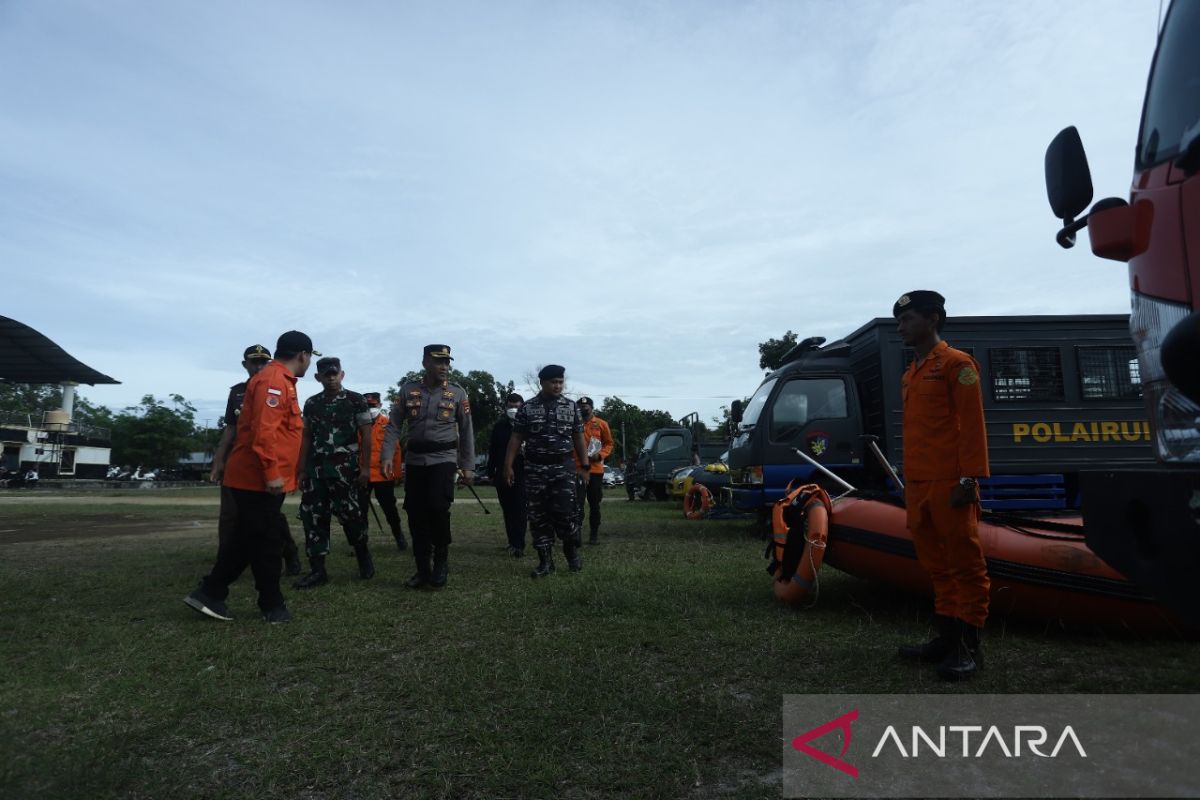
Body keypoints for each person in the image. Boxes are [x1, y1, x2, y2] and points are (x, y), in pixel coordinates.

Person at [184, 330, 316, 624]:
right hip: (257, 480)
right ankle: (271, 605)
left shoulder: (278, 380)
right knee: (267, 542)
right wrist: (272, 475)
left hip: (256, 479)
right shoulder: (274, 382)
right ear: (303, 356)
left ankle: (211, 592)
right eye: (308, 358)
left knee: (247, 538)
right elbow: (264, 433)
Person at [893, 291, 990, 681]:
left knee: (965, 563)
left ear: (932, 319)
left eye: (908, 319)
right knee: (936, 565)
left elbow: (972, 423)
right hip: (918, 482)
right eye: (900, 321)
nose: (901, 327)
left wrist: (969, 478)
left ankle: (968, 648)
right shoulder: (910, 372)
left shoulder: (957, 364)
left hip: (951, 481)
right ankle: (946, 638)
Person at [381, 344, 474, 589]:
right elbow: (393, 425)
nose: (444, 367)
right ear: (425, 363)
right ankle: (423, 568)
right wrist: (387, 455)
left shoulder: (457, 393)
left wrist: (468, 465)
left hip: (443, 458)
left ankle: (441, 563)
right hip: (415, 460)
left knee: (437, 507)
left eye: (447, 362)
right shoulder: (408, 390)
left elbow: (466, 431)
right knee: (415, 512)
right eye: (438, 362)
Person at [210, 344, 303, 577]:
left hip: (265, 466)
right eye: (255, 362)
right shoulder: (240, 391)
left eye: (264, 361)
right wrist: (219, 460)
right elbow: (231, 429)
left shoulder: (276, 383)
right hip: (245, 464)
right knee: (235, 517)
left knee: (266, 521)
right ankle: (222, 573)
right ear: (245, 365)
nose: (260, 366)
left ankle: (286, 553)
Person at [293, 357, 375, 588]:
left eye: (334, 374)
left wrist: (366, 467)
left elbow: (366, 434)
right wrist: (301, 468)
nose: (331, 378)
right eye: (326, 374)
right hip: (316, 469)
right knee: (313, 518)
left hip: (345, 469)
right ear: (318, 377)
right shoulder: (311, 403)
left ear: (342, 375)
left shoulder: (355, 400)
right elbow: (306, 436)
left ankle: (363, 556)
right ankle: (318, 570)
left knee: (351, 516)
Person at [504, 365, 588, 578]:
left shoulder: (571, 407)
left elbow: (579, 438)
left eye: (560, 382)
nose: (558, 385)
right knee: (538, 516)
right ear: (542, 383)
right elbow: (516, 438)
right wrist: (508, 465)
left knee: (565, 513)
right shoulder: (528, 408)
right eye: (553, 382)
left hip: (563, 468)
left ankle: (572, 555)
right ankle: (545, 562)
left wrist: (585, 467)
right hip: (535, 469)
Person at [361, 392, 407, 551]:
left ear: (380, 405)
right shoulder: (357, 425)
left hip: (383, 474)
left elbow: (396, 450)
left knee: (390, 509)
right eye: (367, 406)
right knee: (360, 511)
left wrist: (397, 475)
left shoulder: (388, 424)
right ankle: (361, 543)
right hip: (363, 474)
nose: (370, 408)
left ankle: (398, 535)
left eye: (373, 405)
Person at [488, 392, 526, 557]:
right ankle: (511, 541)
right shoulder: (499, 426)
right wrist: (490, 471)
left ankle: (519, 544)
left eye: (517, 407)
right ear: (505, 407)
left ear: (522, 407)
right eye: (510, 406)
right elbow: (493, 450)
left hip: (522, 472)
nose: (513, 410)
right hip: (502, 472)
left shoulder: (529, 425)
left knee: (519, 509)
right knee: (507, 508)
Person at [574, 396, 613, 545]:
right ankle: (576, 535)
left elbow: (609, 444)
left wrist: (601, 455)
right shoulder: (573, 424)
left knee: (594, 504)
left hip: (596, 470)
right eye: (580, 407)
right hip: (577, 469)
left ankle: (594, 535)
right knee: (577, 504)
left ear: (591, 408)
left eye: (586, 407)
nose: (583, 409)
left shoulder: (601, 424)